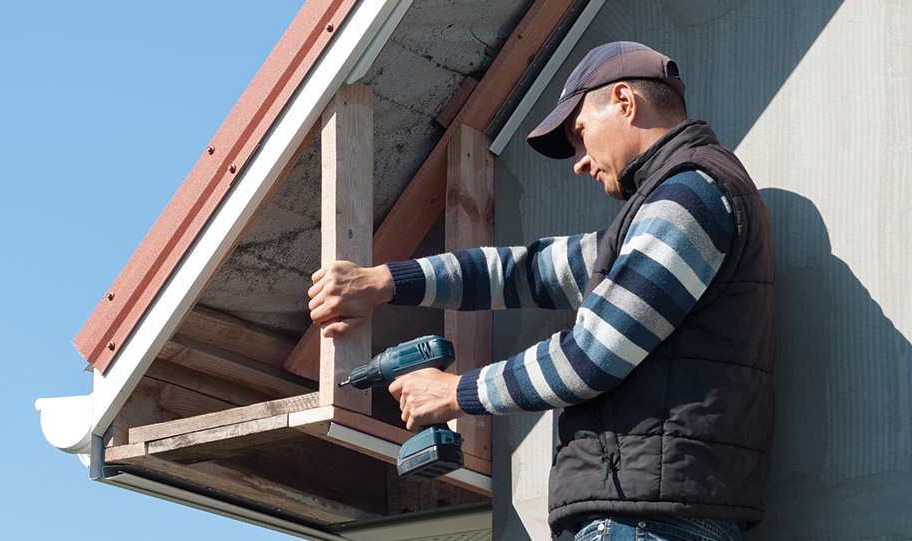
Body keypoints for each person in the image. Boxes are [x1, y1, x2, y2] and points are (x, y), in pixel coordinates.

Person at [307, 42, 775, 541]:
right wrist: (385, 282)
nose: (578, 161)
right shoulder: (657, 214)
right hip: (651, 512)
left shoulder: (689, 195)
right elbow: (524, 272)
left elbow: (591, 356)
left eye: (579, 134)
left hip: (646, 520)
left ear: (624, 101)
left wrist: (454, 391)